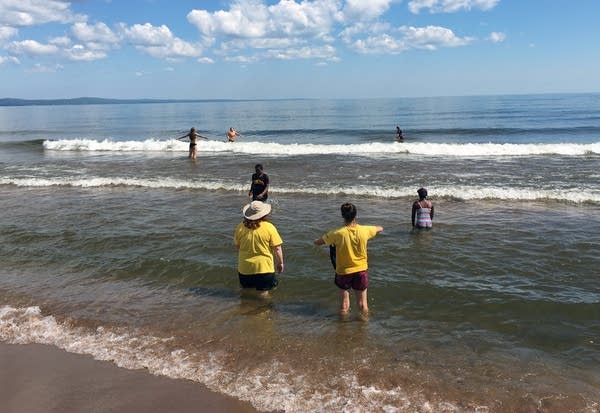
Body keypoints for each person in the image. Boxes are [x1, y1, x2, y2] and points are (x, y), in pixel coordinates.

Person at [314, 203, 383, 316]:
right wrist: (376, 229)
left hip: (343, 272)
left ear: (342, 215)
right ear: (355, 215)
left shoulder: (337, 233)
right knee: (363, 305)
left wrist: (319, 239)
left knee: (344, 304)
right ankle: (363, 327)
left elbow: (317, 242)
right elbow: (380, 228)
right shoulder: (365, 230)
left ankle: (343, 328)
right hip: (361, 270)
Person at [234, 200, 284, 294]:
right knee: (264, 295)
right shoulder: (269, 227)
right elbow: (277, 248)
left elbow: (238, 246)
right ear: (264, 214)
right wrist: (280, 263)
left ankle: (245, 307)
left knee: (245, 292)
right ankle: (263, 308)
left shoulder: (240, 227)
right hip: (264, 268)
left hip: (245, 268)